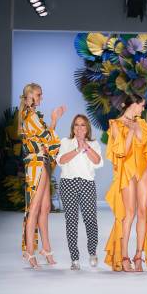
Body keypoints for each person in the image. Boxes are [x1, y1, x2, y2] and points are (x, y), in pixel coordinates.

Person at [104, 94, 147, 272]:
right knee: (128, 213)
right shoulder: (115, 124)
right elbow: (121, 151)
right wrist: (130, 130)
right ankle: (124, 256)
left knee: (143, 212)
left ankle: (139, 255)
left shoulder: (142, 123)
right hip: (127, 171)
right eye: (142, 105)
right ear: (133, 105)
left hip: (143, 171)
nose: (143, 109)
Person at [18, 83, 66, 269]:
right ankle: (30, 252)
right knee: (35, 208)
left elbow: (48, 140)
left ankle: (46, 249)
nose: (41, 97)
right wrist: (54, 120)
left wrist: (52, 124)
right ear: (30, 96)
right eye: (38, 95)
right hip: (36, 163)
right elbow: (49, 138)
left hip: (42, 161)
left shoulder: (33, 116)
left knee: (45, 207)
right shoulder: (30, 116)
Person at [56, 114, 103, 270]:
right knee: (71, 222)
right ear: (73, 128)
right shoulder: (65, 142)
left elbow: (97, 161)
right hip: (68, 183)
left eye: (82, 125)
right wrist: (77, 149)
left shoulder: (94, 143)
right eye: (76, 125)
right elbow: (61, 160)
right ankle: (74, 259)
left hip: (87, 184)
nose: (79, 128)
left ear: (87, 127)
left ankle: (92, 252)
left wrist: (86, 147)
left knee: (90, 220)